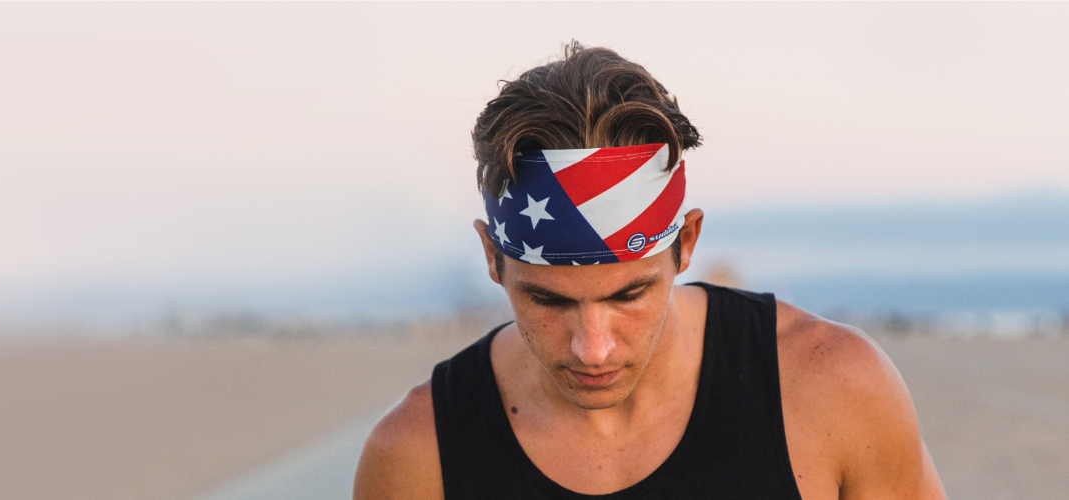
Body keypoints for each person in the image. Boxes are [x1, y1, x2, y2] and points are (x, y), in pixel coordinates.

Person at [353, 43, 946, 499]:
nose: (593, 348)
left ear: (685, 245)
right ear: (492, 259)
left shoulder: (831, 388)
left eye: (630, 293)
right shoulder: (418, 455)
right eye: (550, 301)